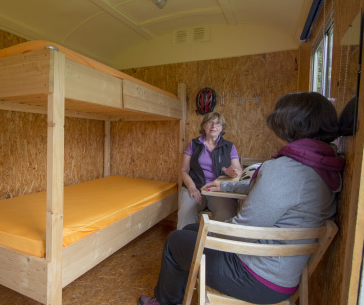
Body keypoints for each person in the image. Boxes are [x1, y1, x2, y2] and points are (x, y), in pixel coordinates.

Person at [138, 92, 345, 305]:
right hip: (284, 273)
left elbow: (242, 231)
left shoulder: (284, 169)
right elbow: (272, 192)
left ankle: (165, 302)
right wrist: (226, 186)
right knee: (189, 230)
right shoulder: (323, 165)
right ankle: (179, 289)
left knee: (175, 241)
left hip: (255, 276)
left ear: (291, 124)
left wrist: (207, 231)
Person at [177, 112, 242, 230]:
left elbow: (238, 172)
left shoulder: (229, 146)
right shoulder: (193, 144)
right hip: (195, 188)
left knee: (226, 214)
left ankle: (215, 245)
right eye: (210, 123)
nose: (213, 126)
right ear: (204, 126)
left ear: (222, 128)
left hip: (218, 191)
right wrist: (191, 187)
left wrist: (230, 172)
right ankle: (185, 244)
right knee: (185, 213)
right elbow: (183, 170)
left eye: (218, 123)